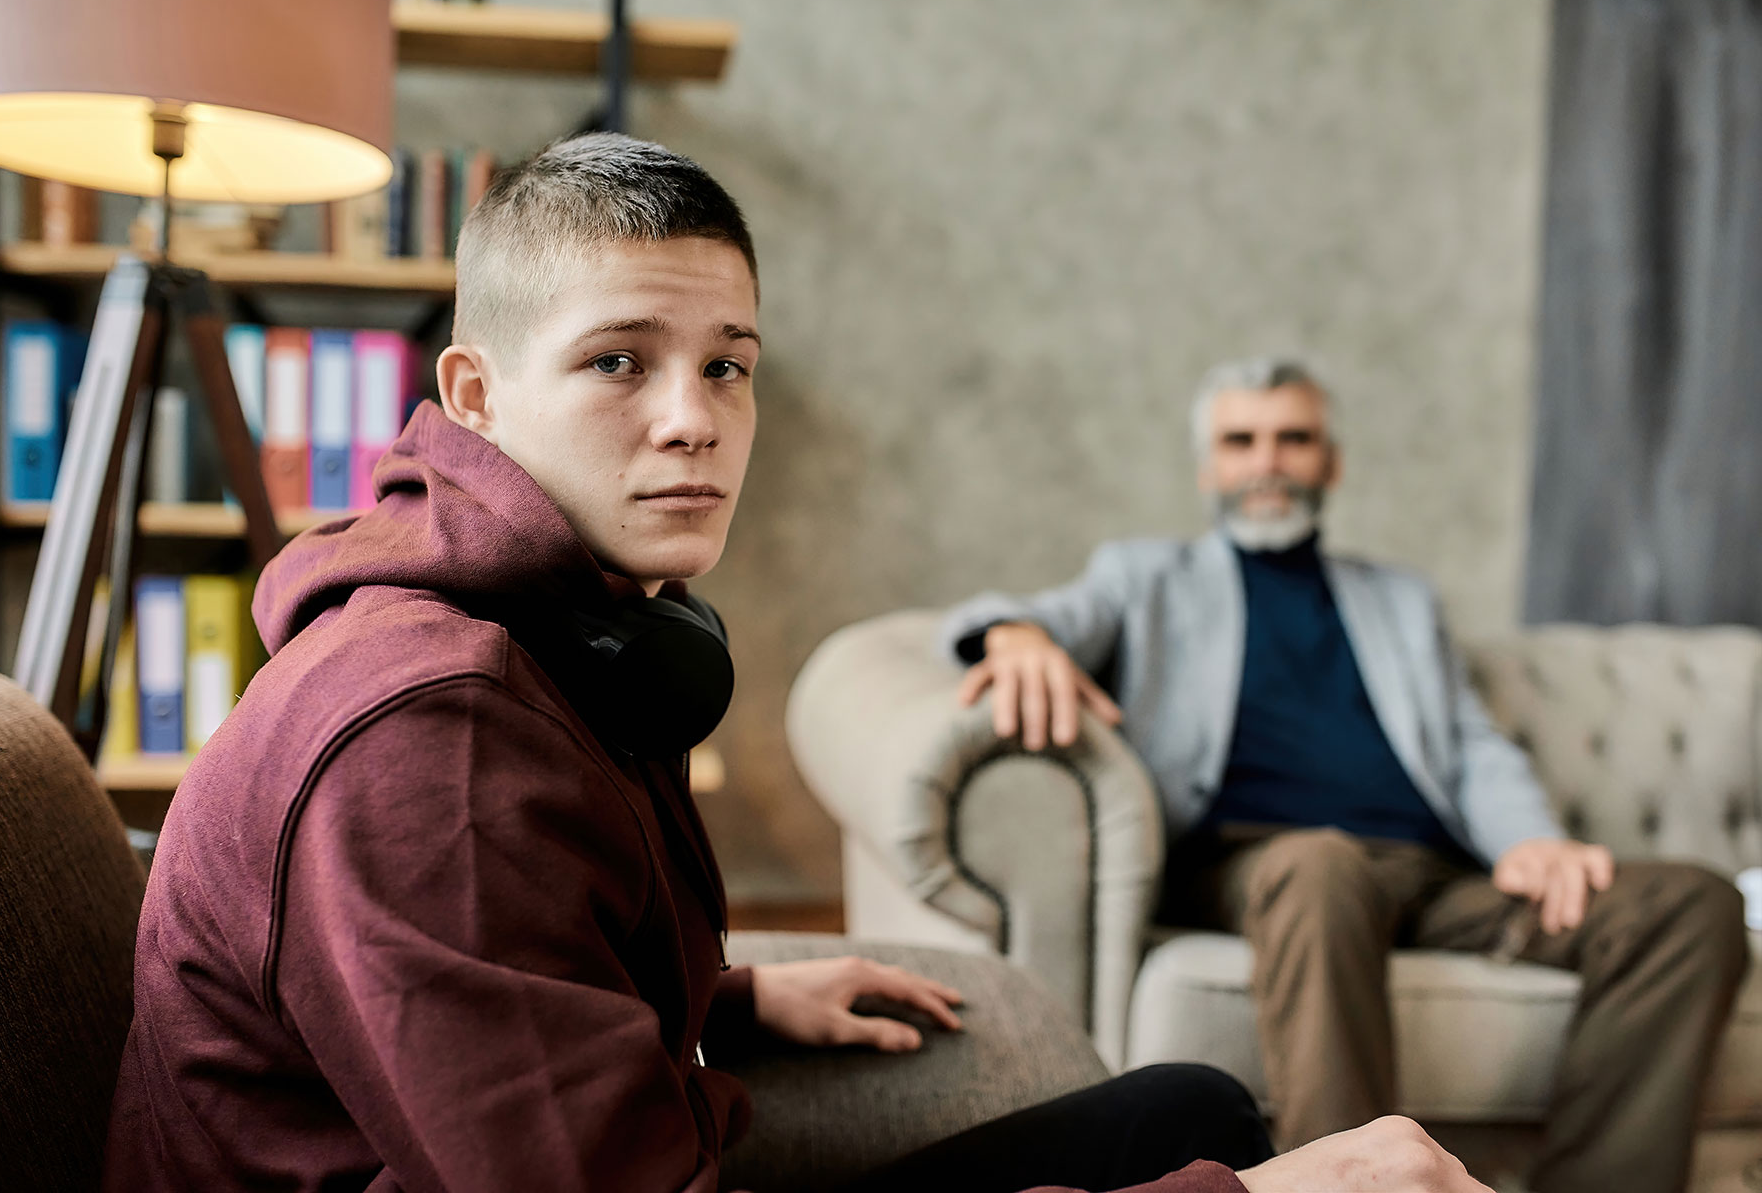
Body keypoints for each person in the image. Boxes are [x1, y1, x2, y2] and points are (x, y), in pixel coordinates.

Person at [101, 139, 1486, 1193]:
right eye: (618, 363)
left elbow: (501, 963)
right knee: (1238, 1157)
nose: (691, 420)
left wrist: (726, 996)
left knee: (1192, 1107)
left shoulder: (572, 629)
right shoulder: (429, 740)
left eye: (729, 365)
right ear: (476, 394)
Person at [940, 357, 1752, 1193]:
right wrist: (1016, 638)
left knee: (1689, 903)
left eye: (1294, 439)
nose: (1267, 462)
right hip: (1259, 863)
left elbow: (1470, 745)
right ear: (1208, 467)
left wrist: (1532, 841)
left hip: (1430, 873)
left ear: (1330, 461)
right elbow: (1014, 617)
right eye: (1241, 440)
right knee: (1320, 859)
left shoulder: (1400, 599)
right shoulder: (1144, 576)